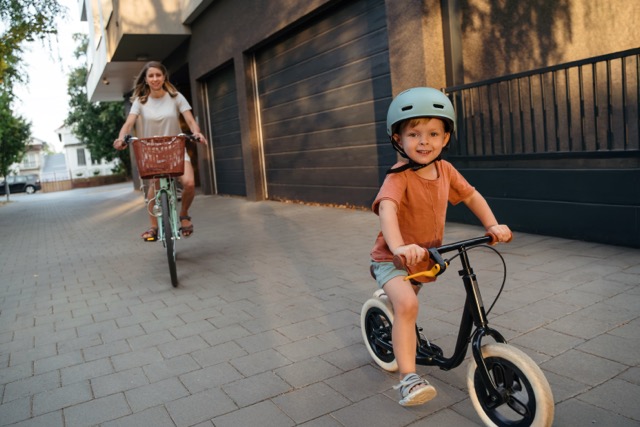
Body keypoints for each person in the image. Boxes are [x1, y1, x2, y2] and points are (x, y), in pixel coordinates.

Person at [370, 87, 512, 407]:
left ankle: (390, 307)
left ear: (446, 137)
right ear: (398, 139)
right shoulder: (398, 176)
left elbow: (472, 196)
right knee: (408, 306)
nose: (424, 141)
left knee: (406, 305)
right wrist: (399, 247)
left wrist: (492, 225)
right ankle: (408, 379)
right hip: (393, 258)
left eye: (434, 133)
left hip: (425, 258)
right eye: (414, 133)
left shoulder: (445, 170)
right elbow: (387, 210)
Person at [113, 61, 208, 241]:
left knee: (188, 183)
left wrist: (197, 133)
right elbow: (128, 124)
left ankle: (184, 215)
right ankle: (153, 227)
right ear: (146, 79)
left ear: (164, 77)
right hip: (151, 152)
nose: (155, 79)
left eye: (158, 75)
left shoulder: (176, 97)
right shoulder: (140, 101)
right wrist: (120, 138)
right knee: (154, 186)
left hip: (175, 149)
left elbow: (190, 120)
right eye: (151, 76)